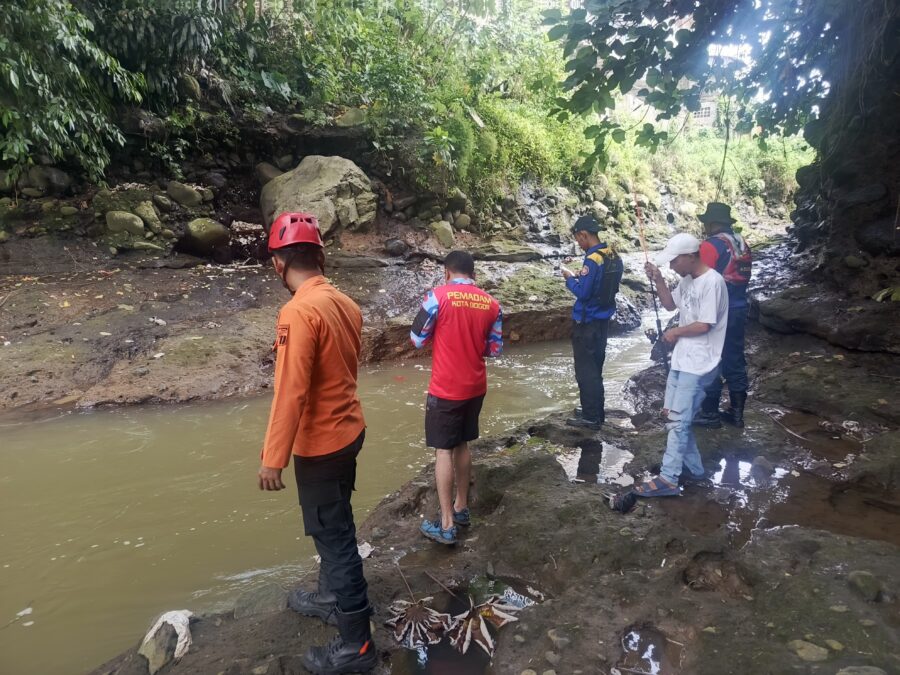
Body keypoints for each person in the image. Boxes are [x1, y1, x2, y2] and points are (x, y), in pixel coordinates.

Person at [257, 212, 376, 674]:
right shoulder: (345, 303)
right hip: (349, 430)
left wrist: (273, 459)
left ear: (278, 263)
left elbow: (292, 390)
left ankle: (357, 647)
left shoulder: (298, 312)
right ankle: (329, 595)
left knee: (335, 537)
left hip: (322, 443)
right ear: (320, 256)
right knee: (336, 519)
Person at [410, 251, 502, 545]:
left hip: (446, 388)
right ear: (473, 273)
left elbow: (417, 338)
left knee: (443, 450)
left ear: (447, 272)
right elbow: (494, 349)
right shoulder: (491, 303)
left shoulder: (437, 297)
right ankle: (461, 508)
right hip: (475, 386)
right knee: (461, 443)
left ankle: (447, 524)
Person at [636, 233, 729, 497]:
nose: (671, 266)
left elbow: (705, 324)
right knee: (673, 417)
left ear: (690, 256)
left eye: (674, 262)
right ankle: (695, 471)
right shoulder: (688, 280)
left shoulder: (713, 282)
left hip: (701, 362)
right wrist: (659, 279)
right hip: (682, 359)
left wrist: (675, 333)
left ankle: (668, 478)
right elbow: (668, 304)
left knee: (678, 420)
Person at [692, 202, 752, 428]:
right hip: (738, 308)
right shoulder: (742, 243)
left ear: (711, 223)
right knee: (734, 359)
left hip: (716, 311)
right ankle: (736, 414)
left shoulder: (711, 245)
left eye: (706, 223)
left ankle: (709, 414)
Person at [562, 214, 624, 431]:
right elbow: (606, 285)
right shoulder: (614, 255)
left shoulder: (592, 259)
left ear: (584, 234)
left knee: (585, 370)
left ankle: (590, 417)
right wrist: (584, 277)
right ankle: (596, 411)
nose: (578, 244)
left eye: (579, 239)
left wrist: (570, 278)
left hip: (587, 322)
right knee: (596, 367)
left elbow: (584, 293)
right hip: (603, 321)